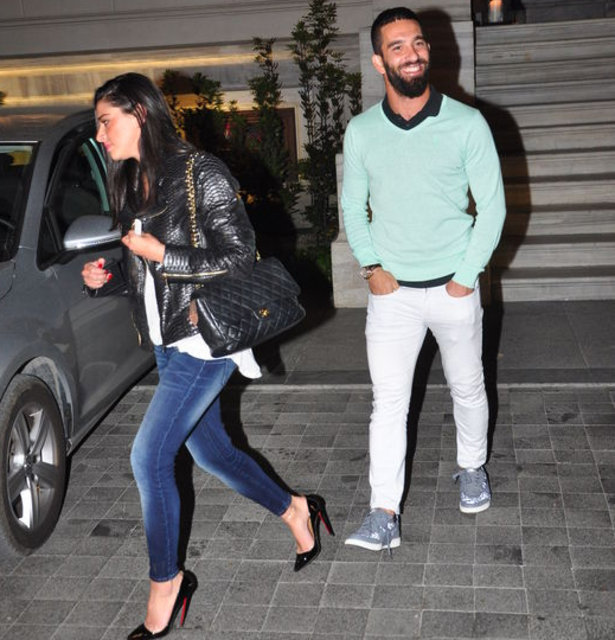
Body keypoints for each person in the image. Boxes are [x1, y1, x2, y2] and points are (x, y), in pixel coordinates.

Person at [82, 73, 334, 639]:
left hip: (205, 337)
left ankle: (167, 584)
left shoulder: (202, 172)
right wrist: (108, 279)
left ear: (139, 114)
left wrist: (163, 254)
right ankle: (296, 509)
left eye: (105, 121)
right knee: (213, 453)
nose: (100, 135)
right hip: (167, 342)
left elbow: (239, 256)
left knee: (149, 458)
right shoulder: (132, 180)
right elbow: (147, 274)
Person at [341, 7, 506, 552]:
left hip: (455, 287)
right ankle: (383, 511)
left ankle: (472, 467)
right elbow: (353, 207)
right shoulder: (362, 131)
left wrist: (466, 276)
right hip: (393, 295)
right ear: (379, 61)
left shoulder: (467, 123)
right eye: (397, 46)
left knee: (468, 386)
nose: (411, 54)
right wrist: (371, 267)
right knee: (388, 402)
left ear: (428, 50)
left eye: (417, 43)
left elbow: (493, 208)